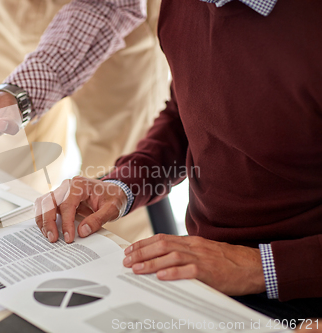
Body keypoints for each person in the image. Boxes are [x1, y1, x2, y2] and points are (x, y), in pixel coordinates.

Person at [35, 0, 322, 320]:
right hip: (206, 269)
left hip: (300, 288)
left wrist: (258, 267)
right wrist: (122, 185)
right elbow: (186, 115)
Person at [0, 0, 170, 243]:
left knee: (112, 190)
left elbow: (110, 5)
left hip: (114, 23)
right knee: (5, 185)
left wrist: (20, 94)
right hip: (4, 16)